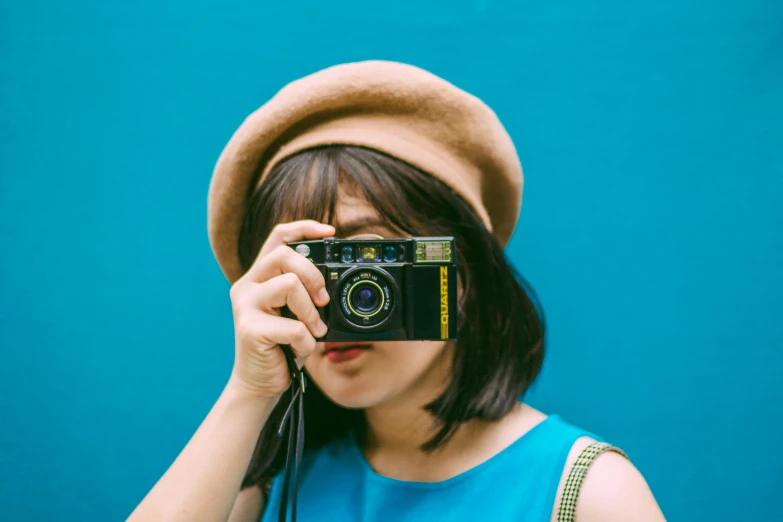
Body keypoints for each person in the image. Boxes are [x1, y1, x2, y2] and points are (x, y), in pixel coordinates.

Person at [128, 61, 666, 522]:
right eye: (307, 267)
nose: (330, 299)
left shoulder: (590, 494)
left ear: (465, 274)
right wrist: (248, 392)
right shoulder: (268, 483)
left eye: (367, 263)